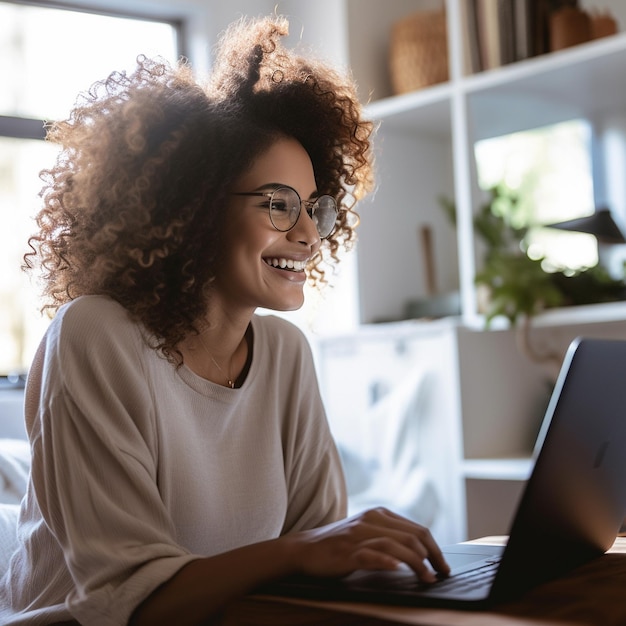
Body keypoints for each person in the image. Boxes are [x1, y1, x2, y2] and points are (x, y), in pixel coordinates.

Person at [0, 15, 449, 626]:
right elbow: (127, 598)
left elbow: (318, 558)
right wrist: (303, 553)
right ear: (194, 210)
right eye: (277, 205)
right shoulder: (95, 336)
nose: (310, 233)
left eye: (315, 207)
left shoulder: (286, 353)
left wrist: (366, 556)